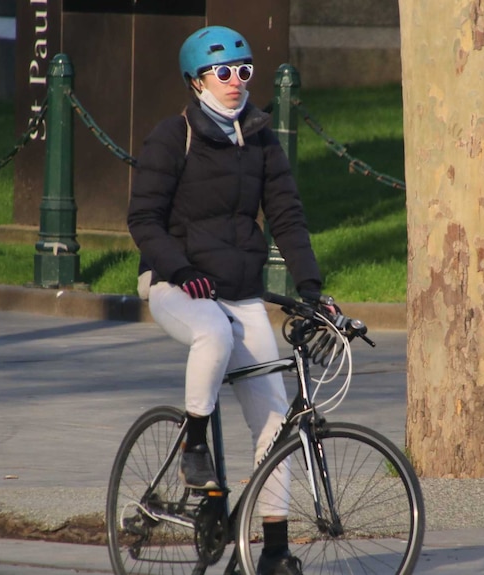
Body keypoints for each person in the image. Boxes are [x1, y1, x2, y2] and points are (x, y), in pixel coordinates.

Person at [127, 25, 324, 575]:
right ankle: (194, 446)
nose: (235, 83)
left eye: (244, 71)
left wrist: (310, 288)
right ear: (197, 81)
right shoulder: (173, 137)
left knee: (276, 426)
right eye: (223, 73)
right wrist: (179, 268)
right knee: (211, 332)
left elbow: (286, 214)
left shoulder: (260, 137)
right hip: (175, 286)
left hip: (239, 292)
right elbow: (143, 218)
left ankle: (274, 551)